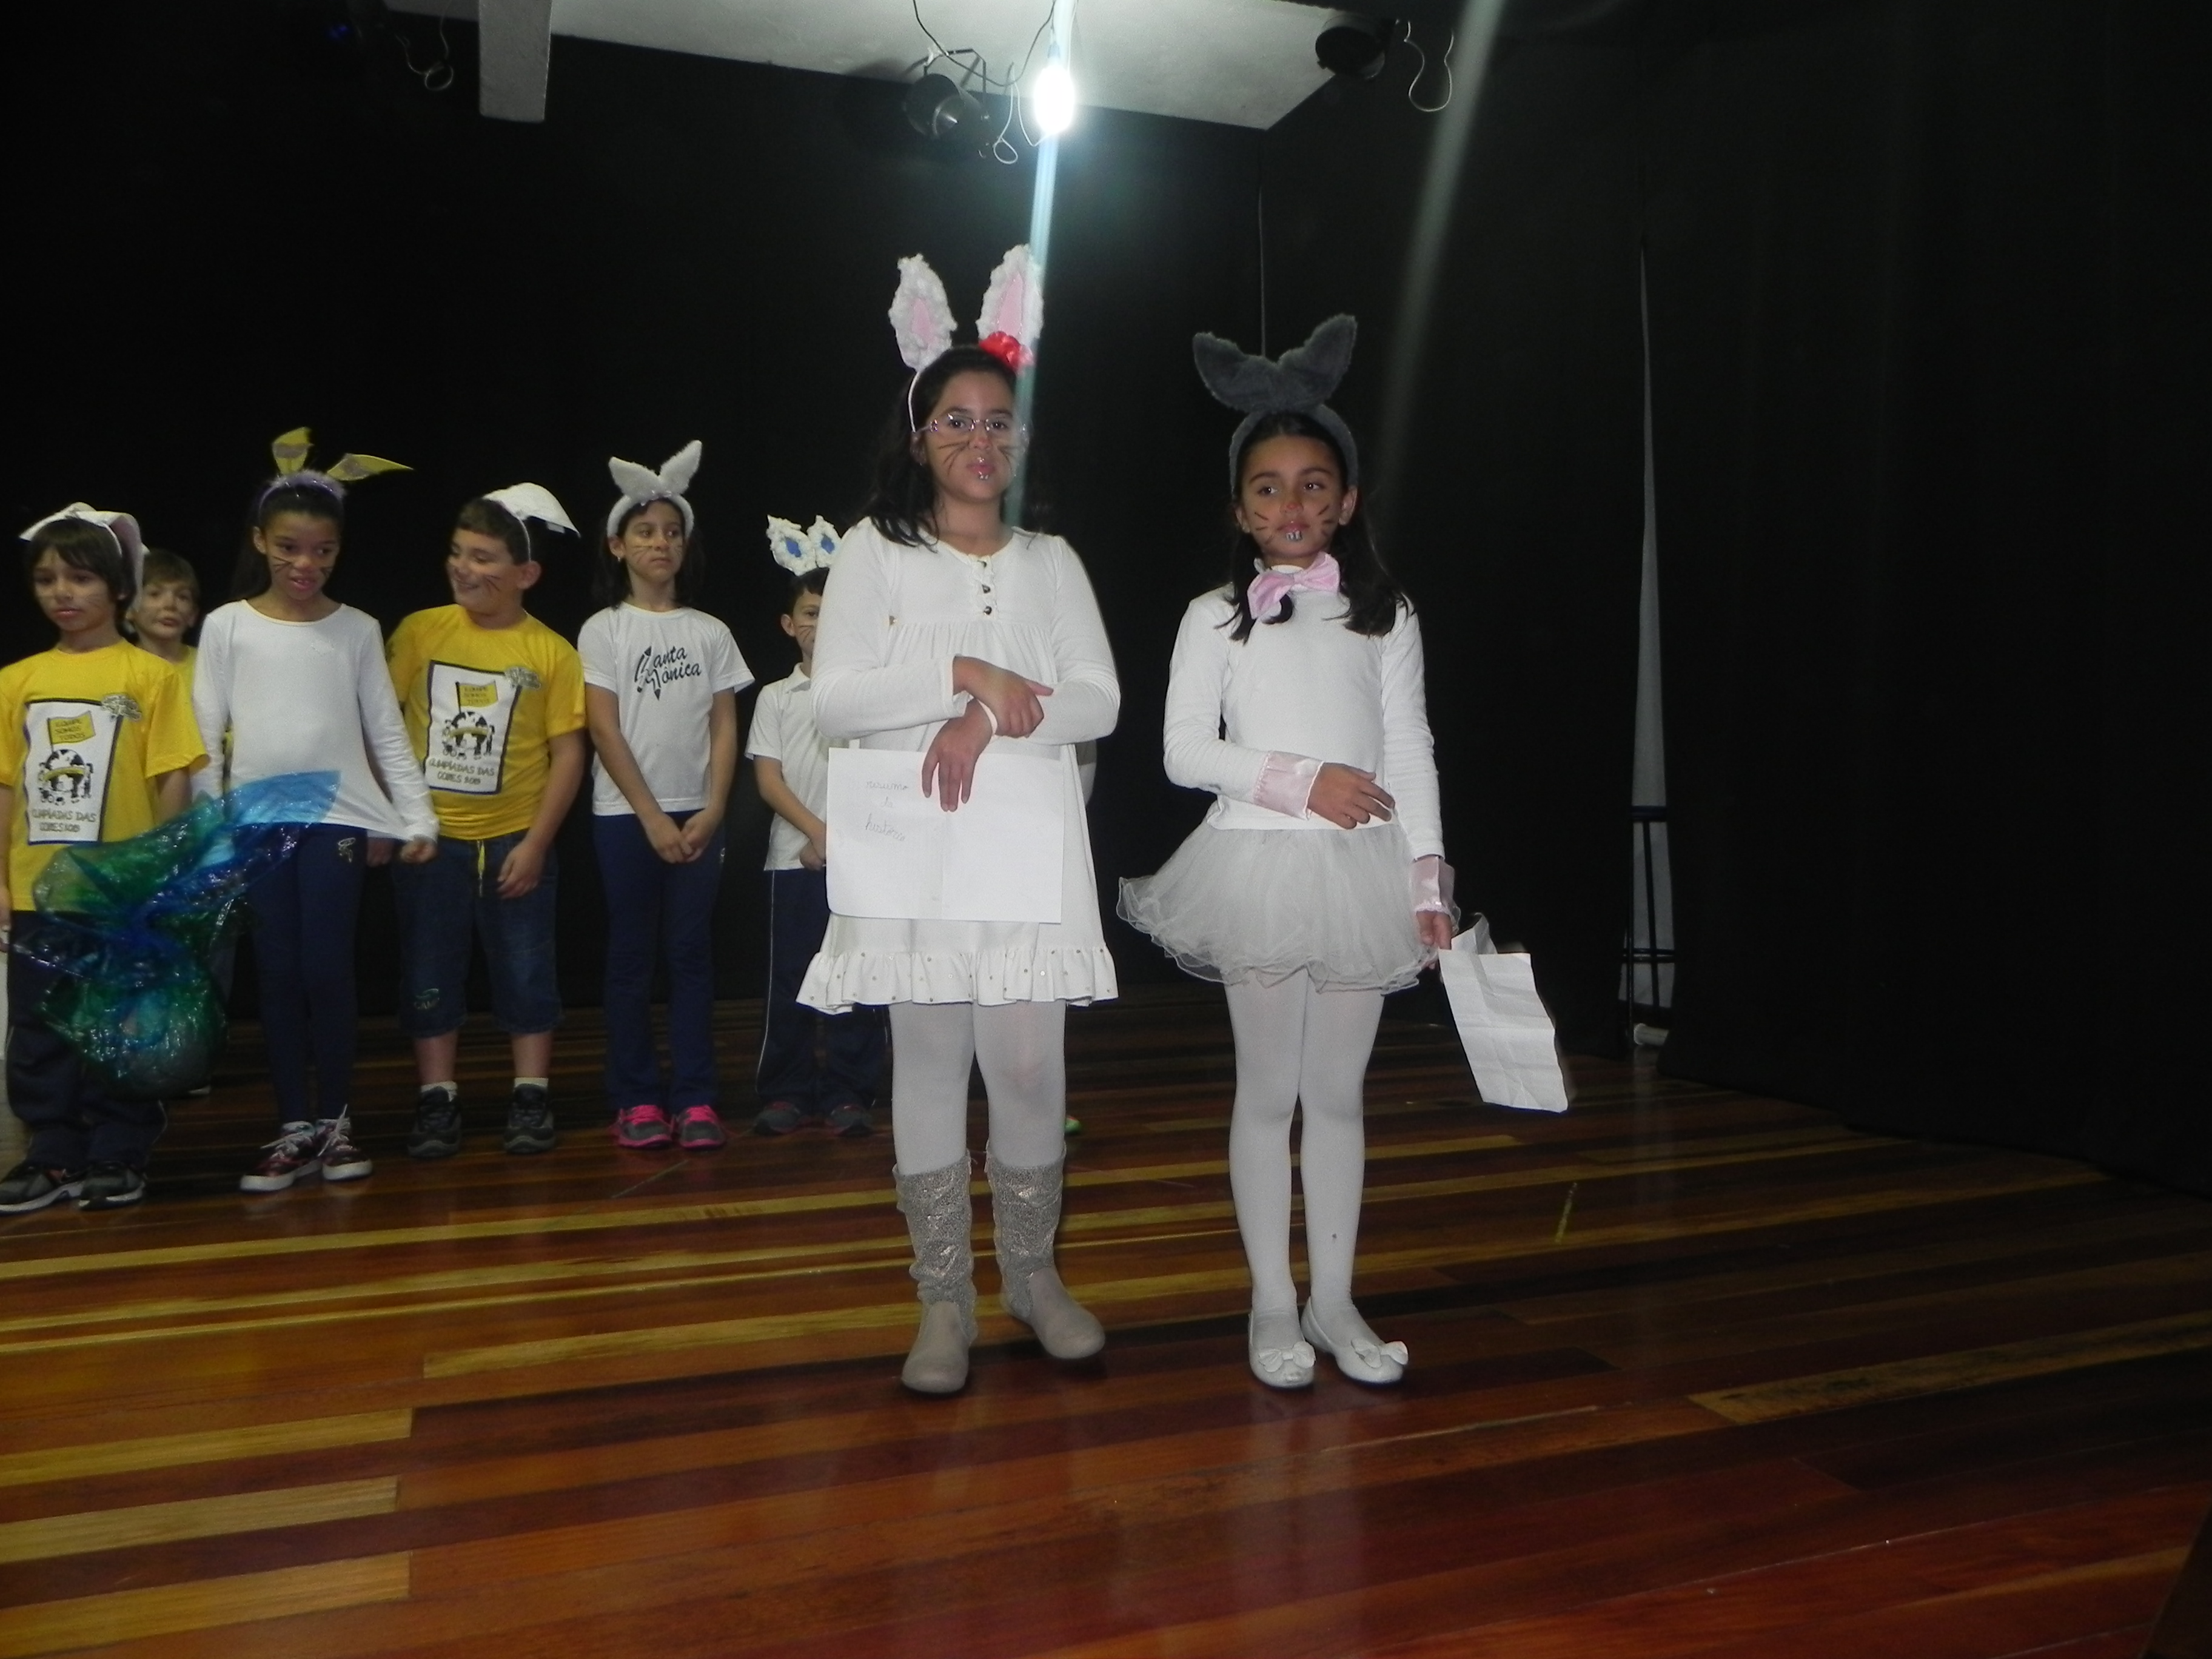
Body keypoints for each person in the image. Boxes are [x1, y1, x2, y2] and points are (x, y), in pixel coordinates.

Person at [803, 247, 1117, 1394]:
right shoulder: (873, 551)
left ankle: (1032, 1276)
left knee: (1028, 1065)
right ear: (918, 434)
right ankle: (943, 1297)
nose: (978, 440)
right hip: (918, 848)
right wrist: (961, 673)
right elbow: (835, 700)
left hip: (1029, 846)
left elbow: (1099, 698)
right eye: (955, 421)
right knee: (931, 1059)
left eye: (998, 422)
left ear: (1020, 441)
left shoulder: (1052, 560)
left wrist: (988, 717)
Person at [1119, 317, 1455, 1390]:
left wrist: (1427, 876)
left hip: (1361, 873)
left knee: (1339, 1096)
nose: (1292, 505)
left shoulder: (1385, 614)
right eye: (1267, 489)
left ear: (1346, 500)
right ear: (1240, 509)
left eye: (1313, 485)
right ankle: (1272, 1300)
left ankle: (1335, 1299)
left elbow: (1410, 745)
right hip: (1256, 868)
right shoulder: (1212, 616)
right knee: (1268, 1094)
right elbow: (1181, 752)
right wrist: (1300, 780)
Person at [193, 432, 435, 1192]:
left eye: (323, 552)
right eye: (290, 548)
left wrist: (414, 818)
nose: (306, 564)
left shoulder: (356, 629)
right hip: (258, 823)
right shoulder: (228, 626)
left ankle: (336, 1122)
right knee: (277, 971)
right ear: (260, 541)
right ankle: (292, 1124)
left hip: (335, 820)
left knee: (328, 968)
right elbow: (204, 736)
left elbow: (385, 731)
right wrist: (212, 834)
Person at [0, 506, 206, 1213]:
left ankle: (120, 1148)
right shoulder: (16, 681)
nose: (63, 592)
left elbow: (172, 779)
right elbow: (7, 787)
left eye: (81, 578)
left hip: (120, 892)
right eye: (47, 579)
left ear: (119, 589)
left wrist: (163, 877)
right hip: (39, 890)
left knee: (121, 1024)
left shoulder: (150, 677)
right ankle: (53, 1150)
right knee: (40, 1027)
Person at [386, 486, 586, 1158]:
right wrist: (399, 821)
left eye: (482, 557)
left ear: (526, 573)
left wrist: (537, 842)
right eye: (457, 552)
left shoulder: (551, 653)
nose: (463, 568)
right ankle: (436, 1098)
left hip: (514, 840)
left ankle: (530, 1094)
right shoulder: (420, 632)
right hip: (431, 842)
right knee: (428, 970)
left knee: (527, 971)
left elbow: (568, 754)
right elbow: (383, 728)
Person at [579, 442, 751, 1151]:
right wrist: (651, 816)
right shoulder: (604, 629)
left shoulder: (710, 633)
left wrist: (713, 807)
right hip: (627, 819)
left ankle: (696, 1097)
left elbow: (724, 725)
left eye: (673, 533)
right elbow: (603, 727)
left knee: (689, 955)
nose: (661, 543)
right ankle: (637, 1097)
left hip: (698, 816)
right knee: (631, 957)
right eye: (646, 532)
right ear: (618, 545)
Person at [746, 518, 885, 1138]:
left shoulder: (868, 695)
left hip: (861, 862)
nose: (820, 624)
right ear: (788, 624)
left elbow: (878, 773)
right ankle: (787, 1089)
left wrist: (844, 841)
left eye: (833, 613)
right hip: (793, 859)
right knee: (792, 980)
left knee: (858, 977)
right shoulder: (776, 698)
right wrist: (816, 834)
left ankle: (850, 1090)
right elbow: (768, 779)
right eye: (810, 613)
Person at [128, 548, 201, 691]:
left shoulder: (206, 665)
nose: (170, 604)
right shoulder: (119, 664)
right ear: (129, 609)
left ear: (193, 615)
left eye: (183, 597)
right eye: (155, 594)